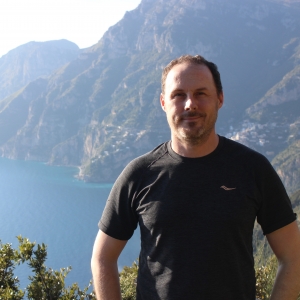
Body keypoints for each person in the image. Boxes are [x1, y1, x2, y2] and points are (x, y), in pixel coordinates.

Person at [91, 54, 300, 299]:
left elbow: (293, 257)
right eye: (178, 95)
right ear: (163, 103)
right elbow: (103, 257)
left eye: (201, 93)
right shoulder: (139, 174)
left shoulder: (253, 169)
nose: (190, 104)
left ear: (219, 99)